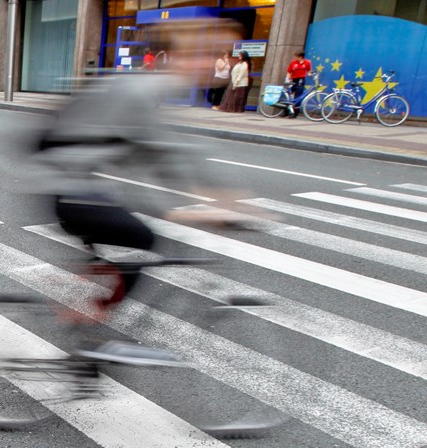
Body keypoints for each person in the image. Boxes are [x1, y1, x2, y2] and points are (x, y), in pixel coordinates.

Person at [33, 19, 247, 363]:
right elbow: (164, 155)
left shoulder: (141, 87)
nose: (211, 62)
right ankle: (91, 321)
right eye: (202, 54)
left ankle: (88, 313)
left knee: (129, 242)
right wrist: (202, 205)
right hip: (70, 191)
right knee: (144, 242)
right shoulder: (139, 90)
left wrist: (214, 197)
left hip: (76, 186)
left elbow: (160, 154)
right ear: (169, 55)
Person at [286, 51, 312, 116]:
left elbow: (309, 71)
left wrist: (310, 74)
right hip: (293, 79)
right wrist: (287, 79)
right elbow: (289, 71)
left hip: (301, 80)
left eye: (297, 56)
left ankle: (295, 112)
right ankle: (286, 111)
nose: (295, 58)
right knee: (288, 95)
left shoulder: (307, 63)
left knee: (298, 96)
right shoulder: (293, 63)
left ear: (300, 57)